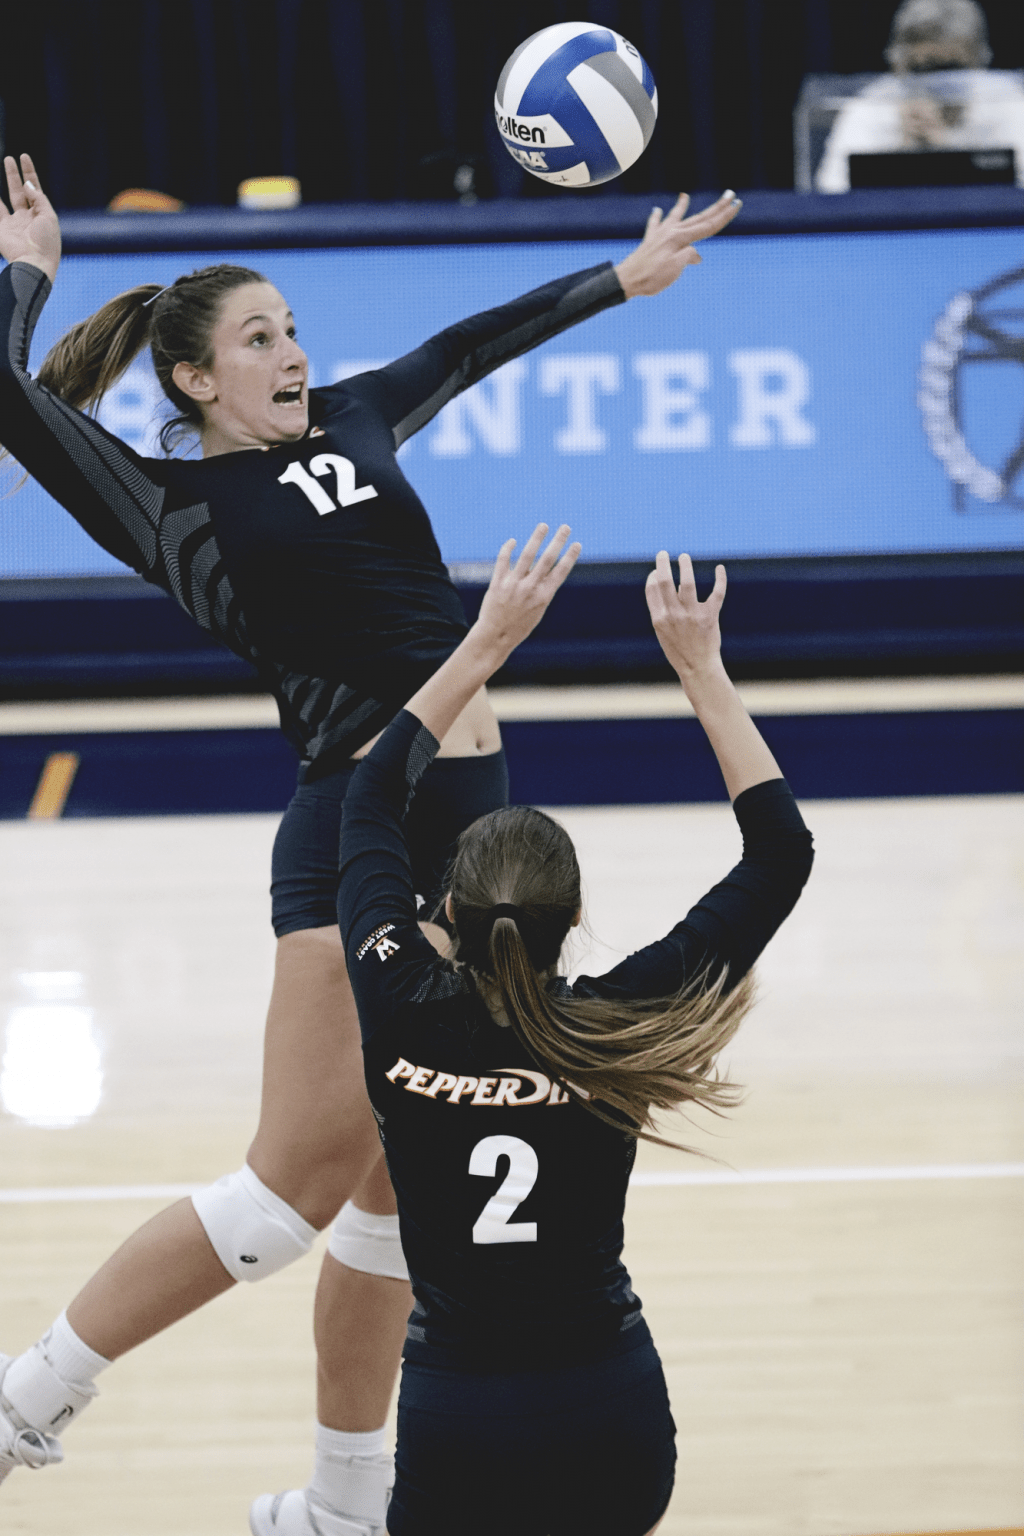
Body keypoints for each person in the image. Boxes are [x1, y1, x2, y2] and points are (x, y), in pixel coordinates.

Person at [0, 151, 742, 1535]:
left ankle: (347, 1506)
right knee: (290, 1189)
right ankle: (28, 1399)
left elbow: (469, 345)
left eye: (291, 327)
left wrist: (620, 280)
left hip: (473, 820)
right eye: (258, 339)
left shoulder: (350, 416)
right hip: (365, 825)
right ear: (193, 384)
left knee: (404, 1203)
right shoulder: (170, 507)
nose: (293, 352)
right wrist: (29, 271)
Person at [326, 523, 814, 1535]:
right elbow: (778, 853)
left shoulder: (395, 998)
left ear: (444, 914)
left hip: (460, 1410)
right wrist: (701, 669)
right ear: (576, 917)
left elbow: (367, 800)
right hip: (610, 1405)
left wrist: (485, 645)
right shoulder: (618, 1019)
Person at [815, 0, 1024, 192]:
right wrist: (901, 157)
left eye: (950, 69)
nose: (936, 85)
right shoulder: (868, 109)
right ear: (897, 65)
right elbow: (831, 194)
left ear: (979, 63)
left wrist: (947, 155)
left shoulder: (1010, 104)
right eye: (921, 69)